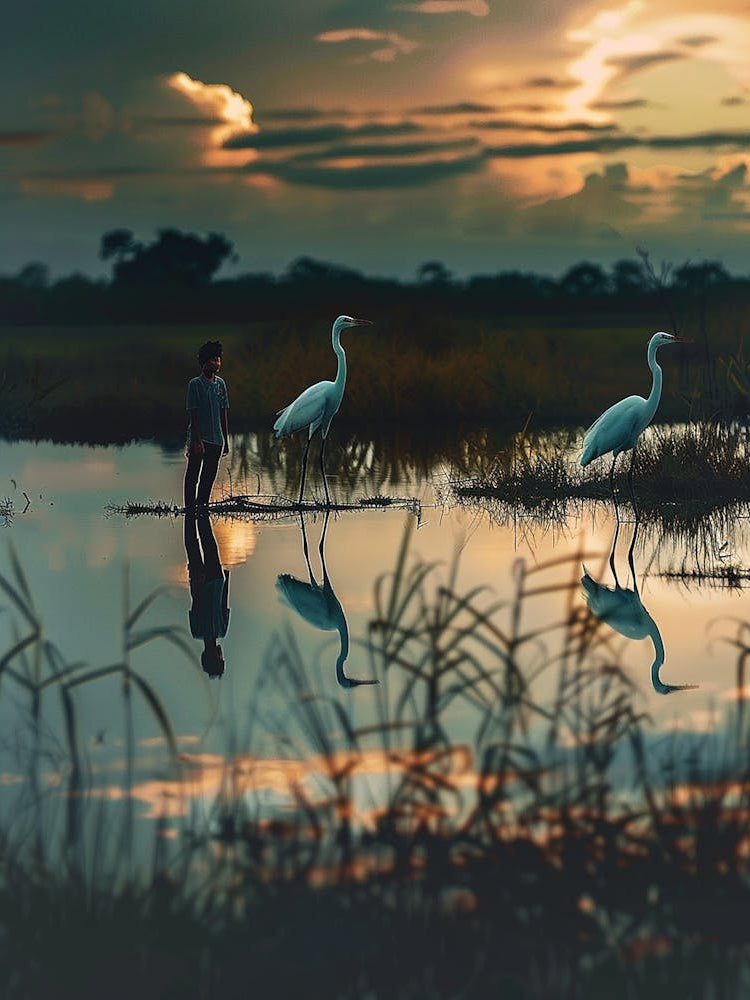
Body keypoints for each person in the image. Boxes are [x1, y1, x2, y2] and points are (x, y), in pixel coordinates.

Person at [184, 340, 229, 512]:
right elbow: (193, 414)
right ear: (204, 362)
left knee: (208, 477)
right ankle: (189, 509)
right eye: (213, 359)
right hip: (200, 439)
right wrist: (196, 440)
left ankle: (202, 506)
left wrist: (226, 439)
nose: (217, 363)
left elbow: (223, 412)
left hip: (216, 440)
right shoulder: (195, 385)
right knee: (193, 476)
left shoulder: (220, 384)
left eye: (218, 359)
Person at [184, 511, 230, 677]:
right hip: (210, 580)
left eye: (220, 658)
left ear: (213, 656)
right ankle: (196, 512)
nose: (221, 654)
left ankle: (195, 510)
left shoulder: (218, 630)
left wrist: (225, 579)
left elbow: (198, 601)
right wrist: (226, 578)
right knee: (197, 543)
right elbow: (219, 603)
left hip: (212, 580)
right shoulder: (201, 631)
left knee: (202, 543)